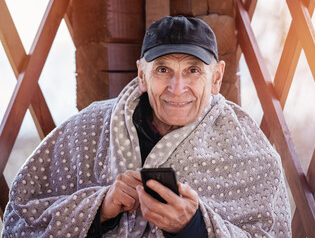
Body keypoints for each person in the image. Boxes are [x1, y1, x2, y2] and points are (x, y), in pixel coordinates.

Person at [1, 16, 291, 238]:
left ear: (216, 77)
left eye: (193, 71)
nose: (177, 89)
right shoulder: (86, 128)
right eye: (163, 70)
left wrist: (196, 226)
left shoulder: (247, 146)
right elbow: (20, 219)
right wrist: (101, 207)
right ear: (142, 74)